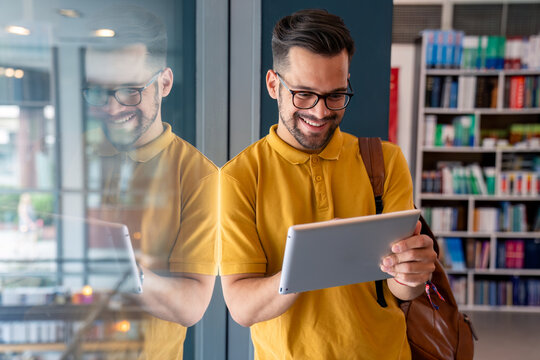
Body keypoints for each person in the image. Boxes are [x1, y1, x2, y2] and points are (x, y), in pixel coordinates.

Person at [220, 9, 437, 359]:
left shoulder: (385, 161)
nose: (321, 113)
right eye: (303, 94)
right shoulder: (240, 178)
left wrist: (413, 274)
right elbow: (243, 307)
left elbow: (401, 291)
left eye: (336, 95)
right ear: (274, 85)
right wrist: (308, 264)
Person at [83, 6, 217, 359]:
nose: (112, 109)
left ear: (165, 83)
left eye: (130, 90)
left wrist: (122, 273)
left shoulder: (199, 175)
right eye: (99, 91)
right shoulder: (77, 153)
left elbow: (192, 306)